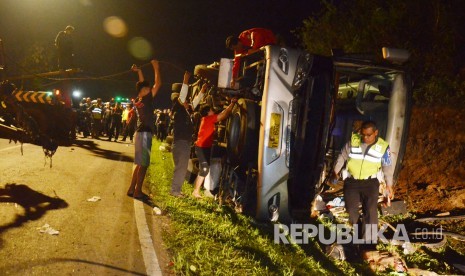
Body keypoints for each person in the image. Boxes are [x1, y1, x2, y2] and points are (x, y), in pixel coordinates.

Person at [332, 120, 394, 249]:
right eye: (363, 135)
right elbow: (342, 157)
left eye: (369, 135)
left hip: (370, 183)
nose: (365, 138)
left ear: (375, 133)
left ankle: (369, 245)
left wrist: (389, 185)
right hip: (352, 182)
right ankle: (360, 234)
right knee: (351, 210)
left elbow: (387, 167)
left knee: (370, 211)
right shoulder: (353, 141)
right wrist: (335, 172)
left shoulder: (383, 147)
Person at [127, 60, 162, 200]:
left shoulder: (139, 98)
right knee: (144, 164)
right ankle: (138, 191)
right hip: (145, 133)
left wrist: (139, 71)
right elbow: (158, 83)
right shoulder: (146, 99)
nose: (150, 89)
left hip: (140, 133)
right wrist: (156, 68)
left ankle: (131, 189)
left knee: (139, 163)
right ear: (143, 92)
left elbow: (142, 85)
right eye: (147, 89)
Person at [192, 97, 237, 198]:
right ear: (208, 112)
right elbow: (224, 115)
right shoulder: (208, 119)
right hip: (201, 148)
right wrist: (232, 104)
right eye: (211, 110)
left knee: (204, 169)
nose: (213, 111)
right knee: (204, 169)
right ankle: (195, 191)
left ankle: (197, 190)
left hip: (205, 147)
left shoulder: (206, 119)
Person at [169, 71, 194, 197]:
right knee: (181, 168)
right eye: (184, 101)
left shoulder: (185, 112)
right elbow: (182, 97)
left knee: (181, 167)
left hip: (182, 143)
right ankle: (175, 191)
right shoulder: (179, 110)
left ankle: (176, 189)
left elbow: (194, 103)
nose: (187, 102)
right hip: (182, 143)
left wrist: (202, 91)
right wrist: (185, 81)